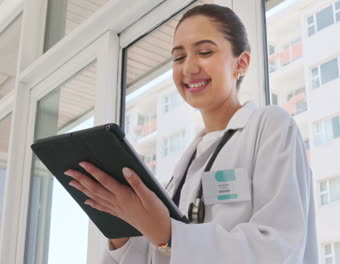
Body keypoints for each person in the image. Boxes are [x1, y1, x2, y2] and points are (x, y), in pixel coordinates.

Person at [64, 4, 317, 263]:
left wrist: (170, 234)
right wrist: (122, 229)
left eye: (204, 52)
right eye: (179, 57)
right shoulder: (182, 173)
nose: (189, 68)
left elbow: (278, 248)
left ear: (241, 63)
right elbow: (160, 254)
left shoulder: (270, 126)